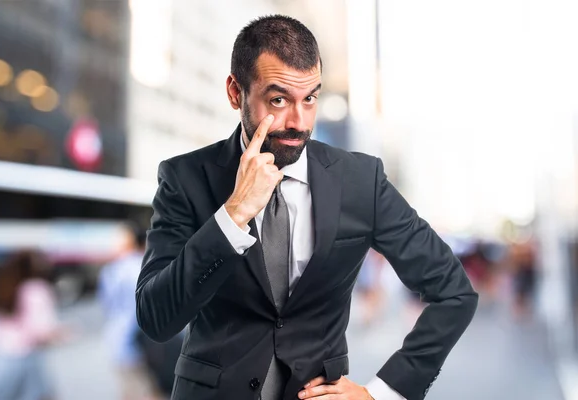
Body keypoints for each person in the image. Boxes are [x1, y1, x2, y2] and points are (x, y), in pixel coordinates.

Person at [136, 15, 478, 400]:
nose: (298, 122)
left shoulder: (360, 180)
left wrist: (381, 393)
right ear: (236, 93)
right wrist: (233, 215)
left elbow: (454, 292)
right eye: (278, 100)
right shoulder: (185, 178)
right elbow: (156, 318)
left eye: (310, 98)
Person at [0, 250, 66, 400]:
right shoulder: (36, 289)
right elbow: (41, 330)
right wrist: (64, 333)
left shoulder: (4, 286)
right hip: (26, 358)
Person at [98, 224, 160, 400]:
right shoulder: (147, 266)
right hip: (145, 342)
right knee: (152, 391)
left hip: (118, 340)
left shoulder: (110, 270)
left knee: (129, 391)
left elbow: (107, 305)